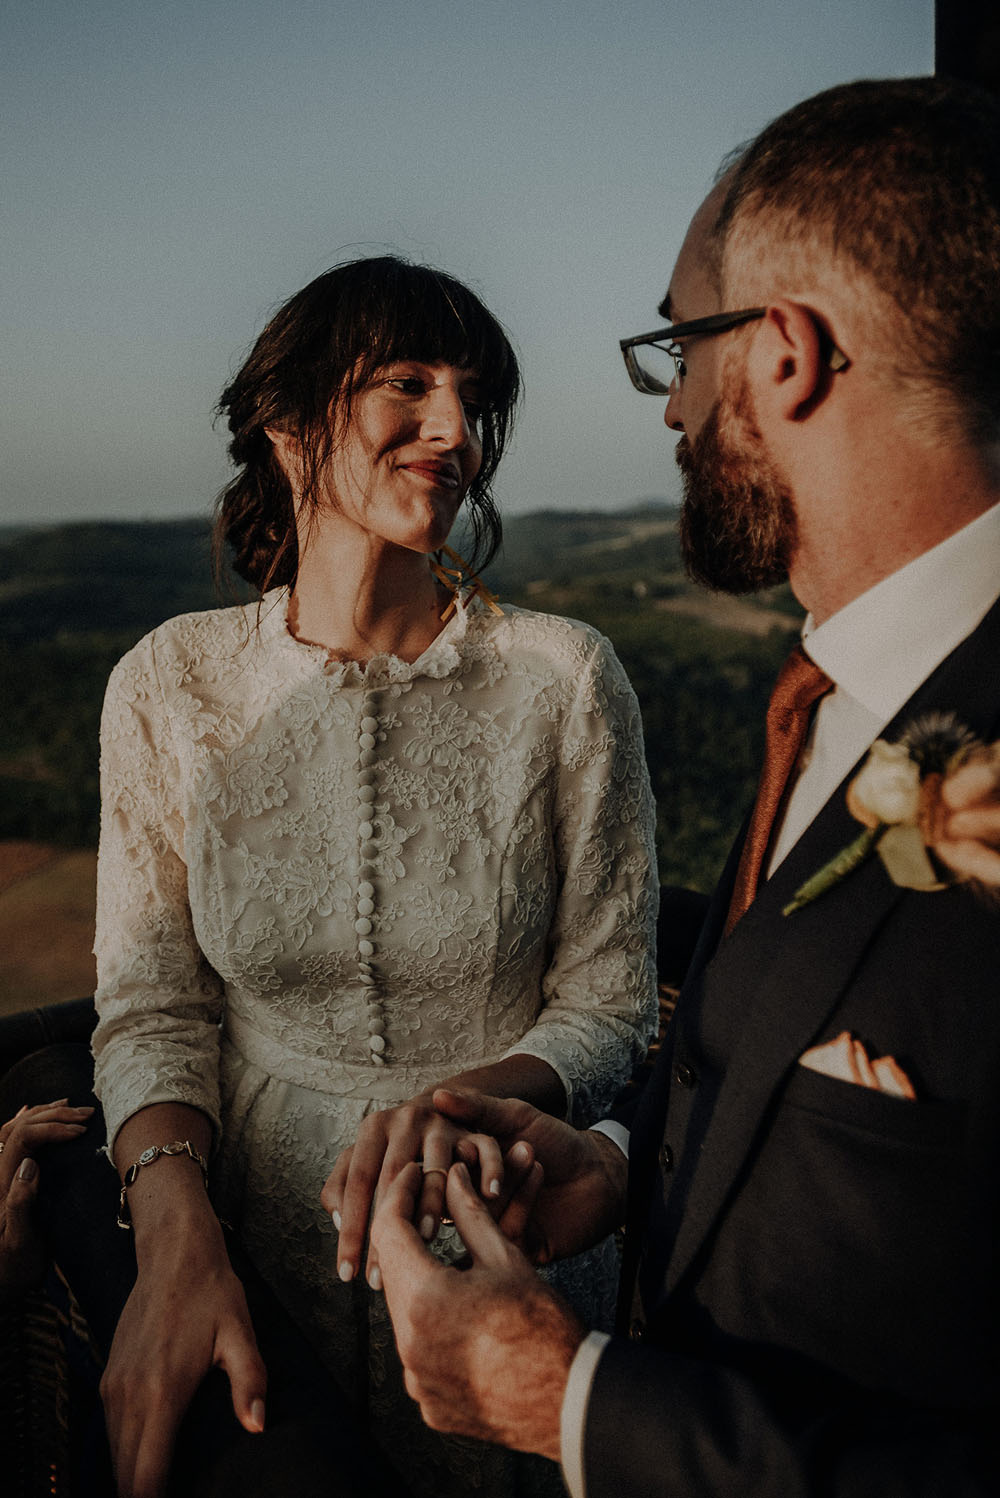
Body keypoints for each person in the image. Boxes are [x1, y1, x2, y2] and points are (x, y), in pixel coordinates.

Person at [372, 77, 1000, 1496]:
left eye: (683, 348)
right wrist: (619, 1157)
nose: (672, 414)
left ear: (783, 355)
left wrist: (574, 1400)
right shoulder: (830, 697)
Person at [90, 255, 658, 1498]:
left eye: (472, 395)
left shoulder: (564, 679)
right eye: (408, 383)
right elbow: (152, 1005)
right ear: (287, 420)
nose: (453, 429)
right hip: (252, 1251)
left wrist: (461, 1100)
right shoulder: (168, 683)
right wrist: (176, 1239)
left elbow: (610, 1004)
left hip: (502, 1240)